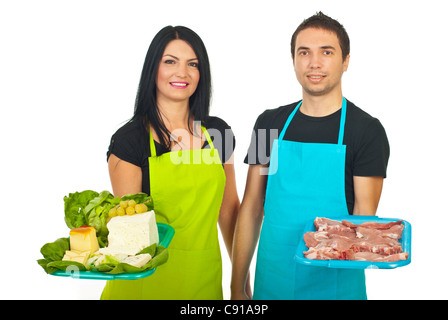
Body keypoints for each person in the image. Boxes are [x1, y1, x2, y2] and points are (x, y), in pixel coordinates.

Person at [231, 12, 390, 300]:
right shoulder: (269, 123)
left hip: (335, 283)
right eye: (304, 52)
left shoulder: (366, 131)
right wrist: (237, 286)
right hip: (272, 280)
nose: (314, 63)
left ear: (345, 62)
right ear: (293, 60)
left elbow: (363, 220)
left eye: (326, 52)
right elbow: (252, 206)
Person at [101, 25, 240, 299]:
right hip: (143, 286)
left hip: (203, 282)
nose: (182, 73)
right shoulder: (130, 140)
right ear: (154, 69)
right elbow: (129, 228)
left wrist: (240, 280)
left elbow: (228, 212)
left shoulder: (218, 133)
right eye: (170, 62)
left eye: (193, 64)